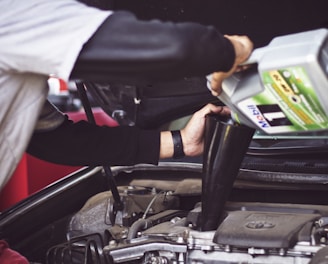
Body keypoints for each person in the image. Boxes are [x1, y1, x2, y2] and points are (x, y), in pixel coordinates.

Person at [0, 0, 253, 191]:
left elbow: (52, 140)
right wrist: (233, 50)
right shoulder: (11, 13)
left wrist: (180, 142)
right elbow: (173, 48)